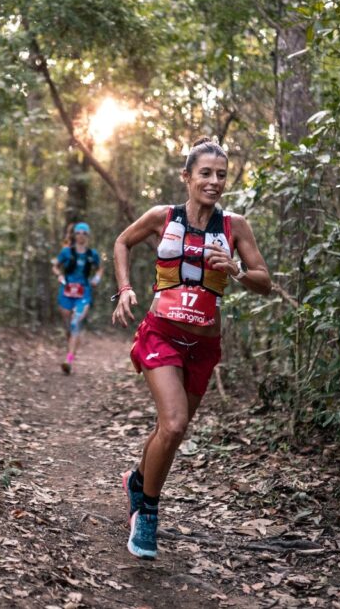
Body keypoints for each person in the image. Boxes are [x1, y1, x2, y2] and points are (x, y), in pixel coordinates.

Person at [110, 137, 271, 560]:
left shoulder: (236, 226)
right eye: (205, 173)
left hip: (203, 345)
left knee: (170, 430)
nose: (214, 181)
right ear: (187, 176)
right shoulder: (162, 217)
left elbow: (264, 282)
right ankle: (146, 512)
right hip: (161, 333)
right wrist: (125, 288)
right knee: (176, 423)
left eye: (221, 174)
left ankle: (138, 480)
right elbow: (122, 242)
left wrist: (236, 271)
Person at [53, 222, 103, 374]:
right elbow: (55, 265)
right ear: (74, 235)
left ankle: (68, 360)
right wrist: (59, 274)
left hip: (83, 293)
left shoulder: (92, 254)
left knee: (76, 322)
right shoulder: (66, 252)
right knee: (68, 326)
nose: (81, 235)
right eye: (78, 232)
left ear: (88, 236)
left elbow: (100, 268)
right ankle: (71, 345)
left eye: (84, 233)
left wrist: (96, 279)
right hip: (66, 292)